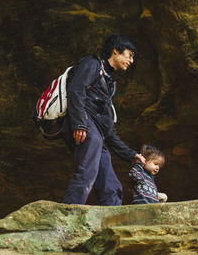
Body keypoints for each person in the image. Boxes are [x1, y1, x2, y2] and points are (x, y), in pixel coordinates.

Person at [61, 34, 145, 206]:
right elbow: (76, 90)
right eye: (129, 55)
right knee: (87, 172)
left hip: (95, 131)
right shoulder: (91, 64)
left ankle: (114, 215)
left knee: (109, 179)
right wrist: (79, 124)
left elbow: (110, 133)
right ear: (115, 51)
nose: (131, 61)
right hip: (84, 123)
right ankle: (68, 214)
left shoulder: (108, 84)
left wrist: (131, 155)